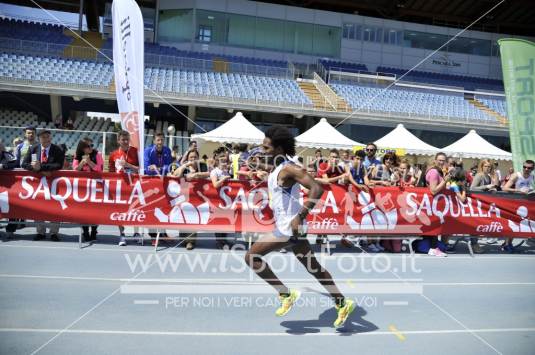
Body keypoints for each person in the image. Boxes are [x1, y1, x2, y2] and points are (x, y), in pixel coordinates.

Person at [244, 125, 355, 328]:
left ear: (278, 149)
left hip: (288, 228)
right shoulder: (279, 167)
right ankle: (342, 303)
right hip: (293, 228)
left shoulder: (289, 168)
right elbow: (281, 184)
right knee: (314, 269)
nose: (262, 150)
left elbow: (317, 188)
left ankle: (285, 294)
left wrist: (300, 216)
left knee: (251, 257)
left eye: (266, 148)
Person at [21, 130, 65, 242]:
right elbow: (24, 164)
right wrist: (35, 169)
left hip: (53, 182)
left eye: (48, 137)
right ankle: (40, 232)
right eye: (44, 137)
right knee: (38, 207)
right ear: (39, 138)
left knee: (55, 208)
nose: (46, 139)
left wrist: (41, 168)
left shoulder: (57, 149)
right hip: (37, 183)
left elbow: (58, 165)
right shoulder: (33, 149)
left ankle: (54, 233)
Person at [172, 149, 209, 250]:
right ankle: (183, 239)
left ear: (198, 158)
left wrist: (196, 175)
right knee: (183, 215)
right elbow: (175, 175)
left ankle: (190, 241)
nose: (193, 159)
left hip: (197, 195)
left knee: (192, 216)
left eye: (195, 157)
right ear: (187, 159)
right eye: (191, 157)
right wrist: (184, 166)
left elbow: (208, 173)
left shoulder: (202, 165)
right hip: (184, 194)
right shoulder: (185, 166)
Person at [108, 130, 140, 246]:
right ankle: (122, 235)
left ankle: (136, 233)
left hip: (134, 185)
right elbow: (110, 173)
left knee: (136, 208)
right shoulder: (113, 154)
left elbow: (140, 169)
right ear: (118, 141)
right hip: (120, 187)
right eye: (123, 140)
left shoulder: (135, 151)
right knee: (120, 211)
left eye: (127, 139)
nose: (126, 142)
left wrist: (128, 165)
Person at [73, 137, 103, 242]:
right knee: (83, 210)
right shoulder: (77, 155)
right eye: (88, 146)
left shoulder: (98, 154)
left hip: (96, 186)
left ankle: (94, 230)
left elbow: (99, 168)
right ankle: (85, 231)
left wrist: (89, 162)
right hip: (82, 186)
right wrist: (82, 162)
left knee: (95, 210)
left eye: (92, 145)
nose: (90, 148)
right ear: (82, 148)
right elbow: (75, 169)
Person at [424, 152, 450, 257]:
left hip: (435, 204)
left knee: (435, 225)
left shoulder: (438, 171)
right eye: (439, 160)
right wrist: (444, 181)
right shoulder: (434, 172)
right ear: (435, 160)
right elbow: (433, 190)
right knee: (434, 226)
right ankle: (433, 248)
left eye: (443, 160)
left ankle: (434, 248)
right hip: (431, 203)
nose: (441, 162)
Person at [210, 150, 233, 249]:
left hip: (226, 200)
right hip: (217, 199)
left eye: (225, 161)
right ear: (217, 162)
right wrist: (224, 179)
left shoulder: (225, 171)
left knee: (226, 220)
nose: (224, 163)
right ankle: (219, 241)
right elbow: (215, 184)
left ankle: (224, 239)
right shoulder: (214, 171)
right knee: (219, 220)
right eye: (222, 161)